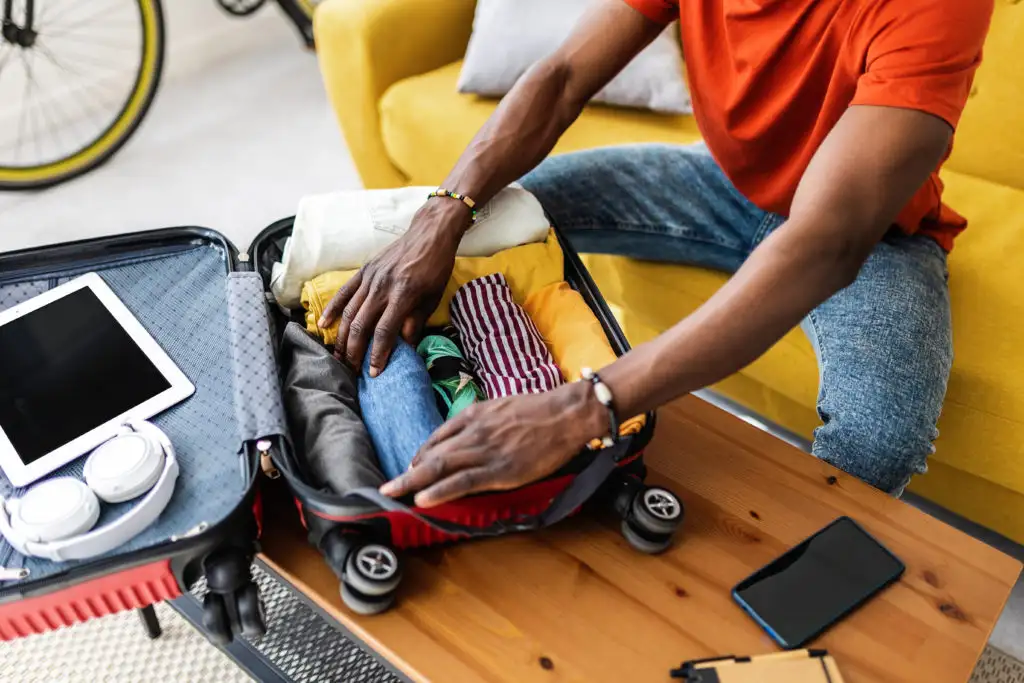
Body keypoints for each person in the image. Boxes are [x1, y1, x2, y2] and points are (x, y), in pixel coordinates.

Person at [318, 0, 994, 508]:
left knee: (883, 436)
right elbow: (559, 78)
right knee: (494, 216)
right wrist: (443, 213)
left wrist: (583, 406)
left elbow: (824, 242)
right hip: (722, 180)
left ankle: (793, 592)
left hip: (870, 237)